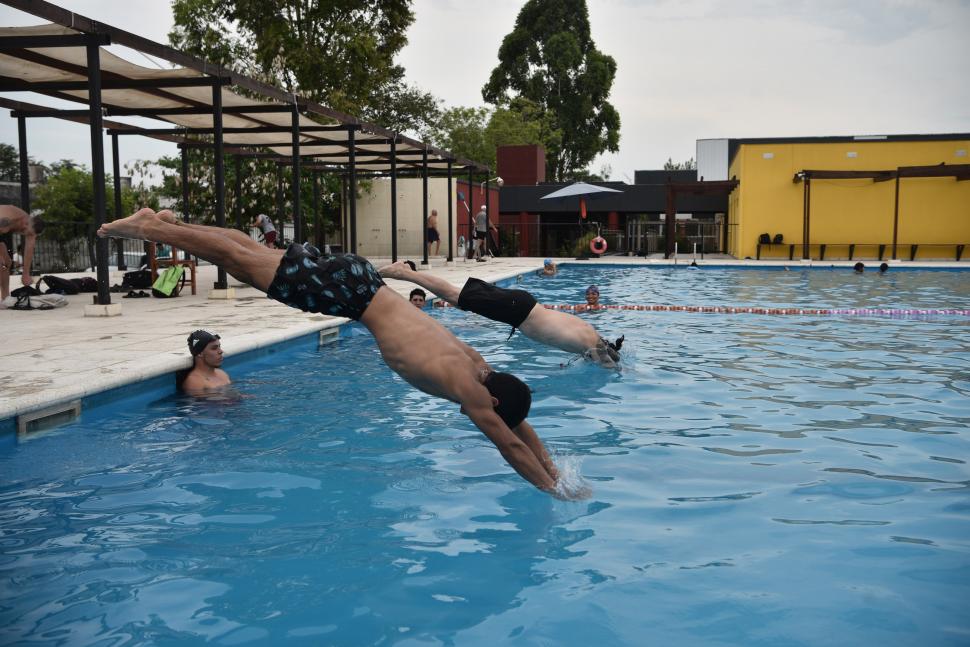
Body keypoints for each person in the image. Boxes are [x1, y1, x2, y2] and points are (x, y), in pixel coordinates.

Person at [99, 208, 569, 497]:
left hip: (363, 278)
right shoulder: (470, 392)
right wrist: (553, 491)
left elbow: (516, 423)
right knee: (240, 259)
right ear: (490, 404)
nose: (490, 418)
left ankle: (168, 224)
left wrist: (554, 467)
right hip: (350, 299)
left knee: (248, 251)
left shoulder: (479, 367)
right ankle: (152, 229)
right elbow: (507, 442)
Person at [380, 261, 624, 368]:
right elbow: (607, 365)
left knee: (459, 300)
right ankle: (404, 274)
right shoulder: (594, 350)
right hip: (519, 311)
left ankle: (406, 273)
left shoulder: (590, 336)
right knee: (456, 296)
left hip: (523, 306)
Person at [0, 205, 44, 300]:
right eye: (24, 230)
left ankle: (5, 298)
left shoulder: (30, 226)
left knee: (7, 263)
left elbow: (29, 248)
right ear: (25, 222)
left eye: (28, 234)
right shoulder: (6, 219)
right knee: (1, 262)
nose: (24, 232)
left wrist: (25, 274)